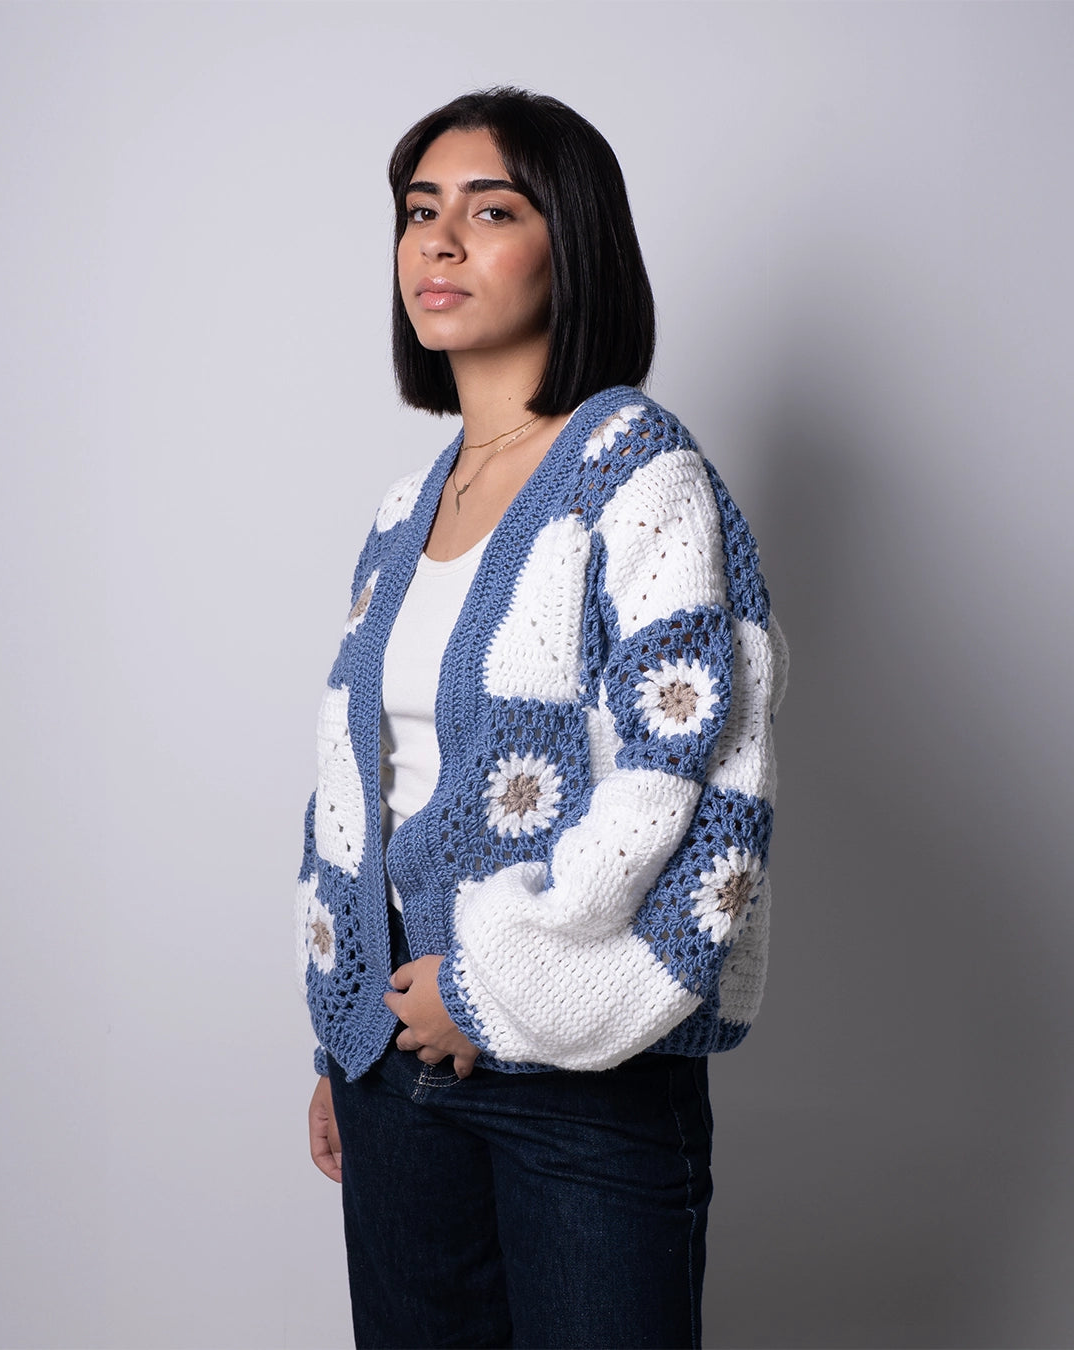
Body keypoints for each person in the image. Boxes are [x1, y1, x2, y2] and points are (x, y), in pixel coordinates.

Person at [297, 87, 788, 1350]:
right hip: (393, 1069)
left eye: (490, 209)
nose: (439, 244)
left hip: (585, 1077)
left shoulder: (639, 472)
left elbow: (684, 776)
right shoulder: (406, 511)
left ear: (571, 243)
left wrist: (492, 987)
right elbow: (377, 790)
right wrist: (343, 1025)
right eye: (418, 213)